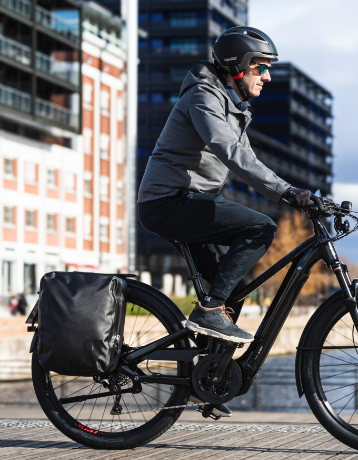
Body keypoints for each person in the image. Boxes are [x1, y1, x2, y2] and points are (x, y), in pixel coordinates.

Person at [137, 27, 321, 415]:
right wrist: (288, 193)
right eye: (261, 67)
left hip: (193, 201)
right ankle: (208, 312)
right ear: (237, 66)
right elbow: (230, 151)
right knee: (261, 227)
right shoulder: (203, 97)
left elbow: (248, 161)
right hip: (167, 201)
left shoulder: (232, 105)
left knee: (231, 290)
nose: (267, 76)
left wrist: (300, 196)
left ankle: (204, 383)